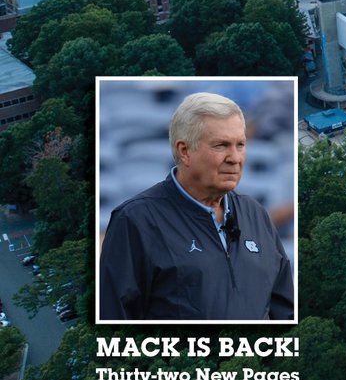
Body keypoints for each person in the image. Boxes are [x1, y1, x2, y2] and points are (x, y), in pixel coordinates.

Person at [99, 93, 294, 322]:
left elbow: (284, 310)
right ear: (184, 151)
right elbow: (114, 322)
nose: (235, 158)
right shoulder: (135, 220)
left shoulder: (255, 213)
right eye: (221, 146)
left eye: (240, 145)